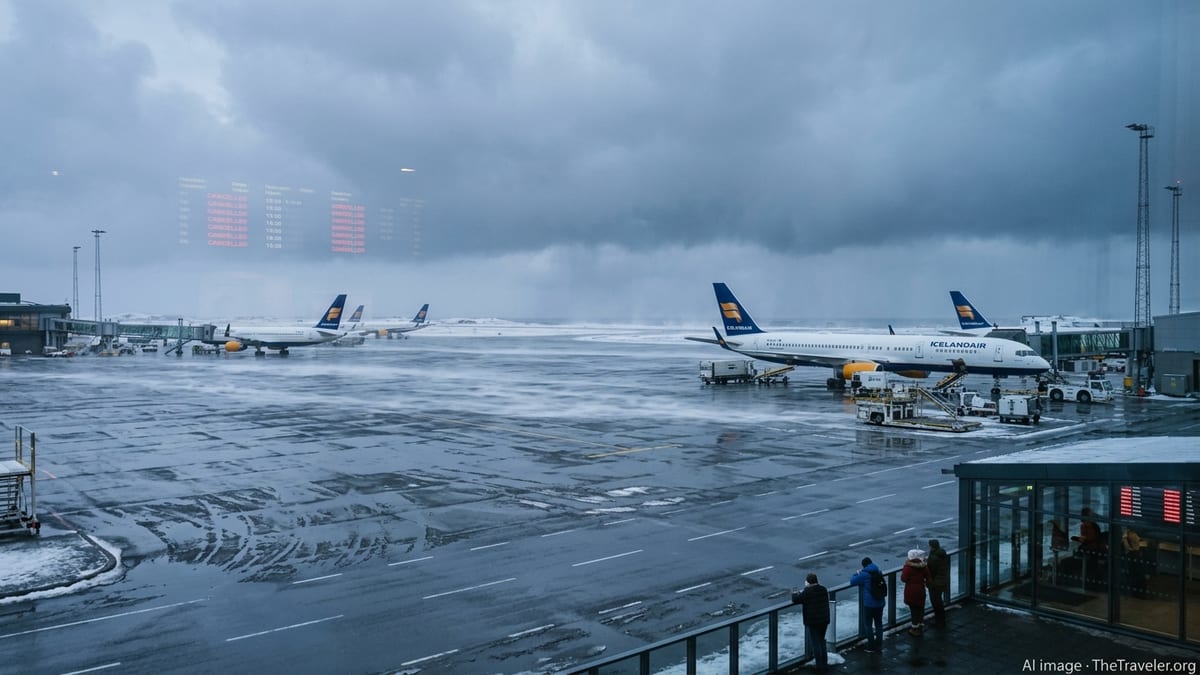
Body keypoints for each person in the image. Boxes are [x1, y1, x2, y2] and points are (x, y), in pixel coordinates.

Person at [792, 572, 830, 672]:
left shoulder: (807, 592)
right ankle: (824, 663)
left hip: (814, 622)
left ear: (808, 582)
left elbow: (796, 600)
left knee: (816, 644)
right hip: (824, 620)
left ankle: (819, 666)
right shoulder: (823, 589)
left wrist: (795, 593)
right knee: (822, 641)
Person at [849, 556, 886, 652]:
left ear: (864, 565)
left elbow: (852, 581)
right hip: (880, 602)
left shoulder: (864, 574)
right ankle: (879, 644)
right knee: (879, 623)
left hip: (869, 604)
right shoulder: (878, 571)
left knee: (868, 624)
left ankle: (871, 646)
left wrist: (856, 573)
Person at [901, 548, 931, 636]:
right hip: (921, 589)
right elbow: (928, 575)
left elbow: (903, 579)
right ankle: (920, 624)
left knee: (913, 610)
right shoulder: (923, 566)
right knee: (920, 607)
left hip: (911, 590)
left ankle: (915, 628)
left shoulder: (907, 567)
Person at [926, 539, 950, 627]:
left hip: (935, 583)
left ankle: (939, 622)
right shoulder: (942, 554)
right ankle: (941, 620)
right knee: (939, 601)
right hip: (942, 581)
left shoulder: (933, 557)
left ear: (931, 547)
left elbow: (931, 570)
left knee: (936, 602)